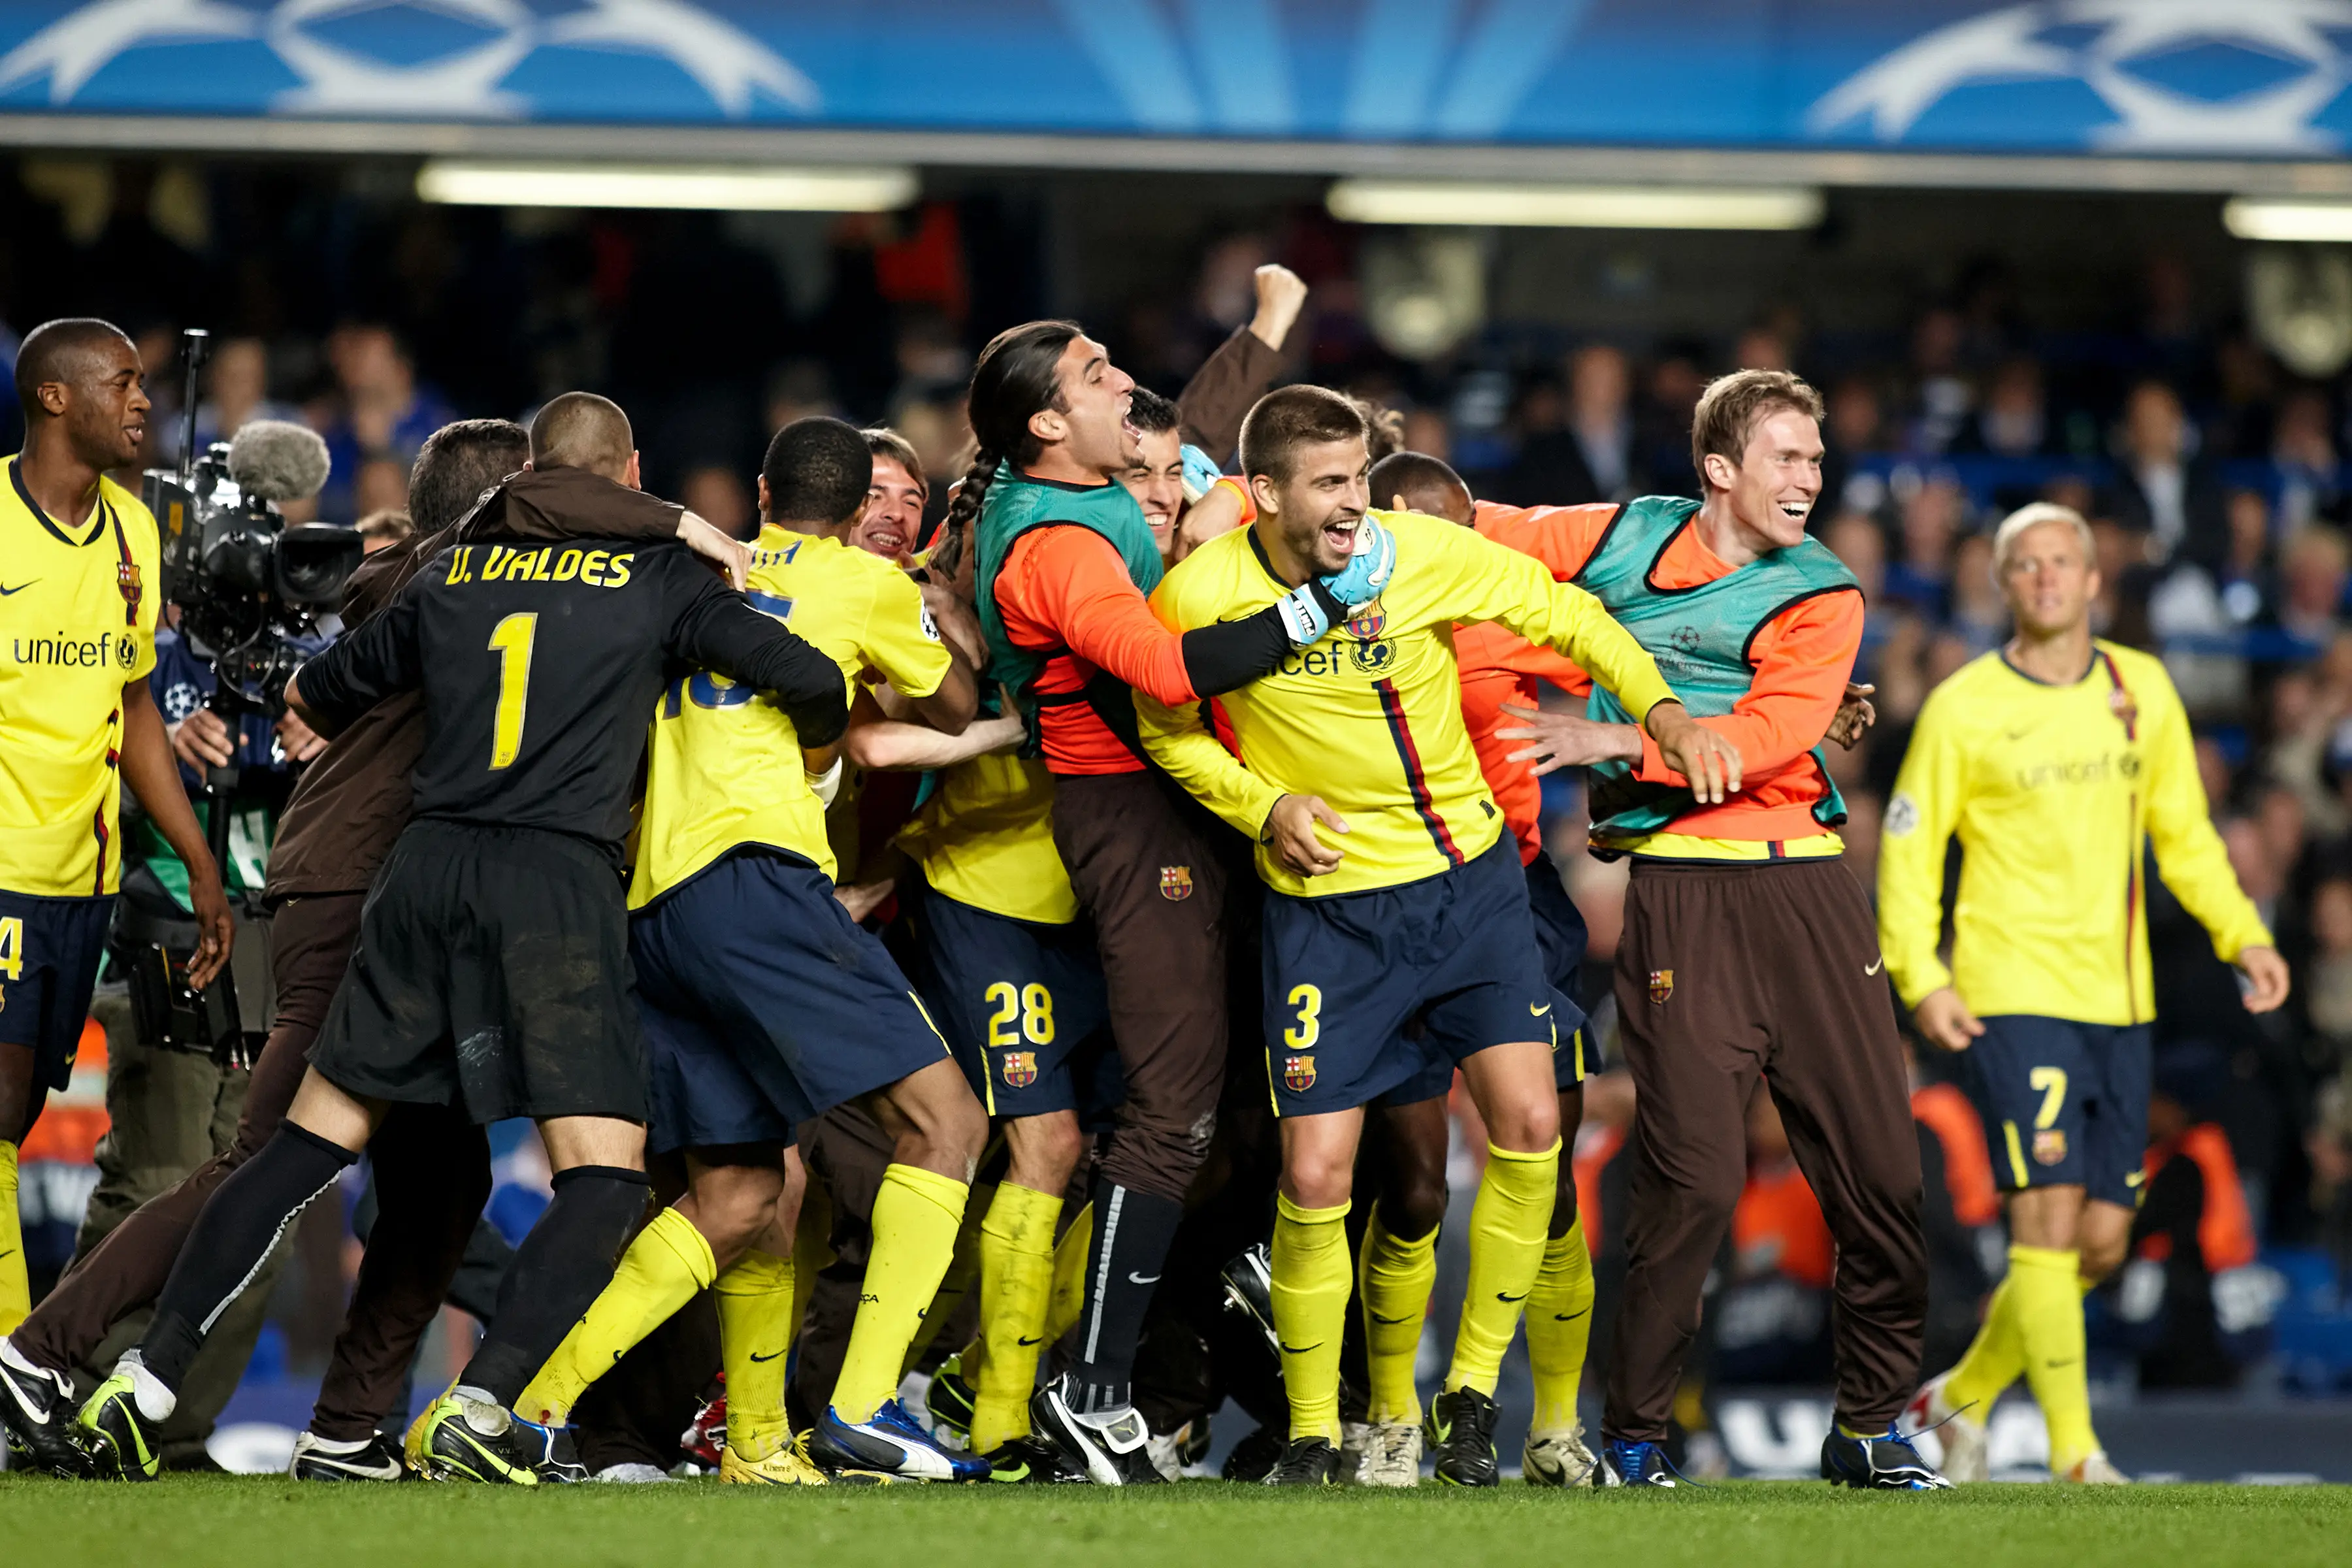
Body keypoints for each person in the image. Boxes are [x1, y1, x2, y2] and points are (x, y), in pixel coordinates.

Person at [69, 393, 848, 1484]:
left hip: (423, 871)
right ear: (625, 477)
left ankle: (141, 1384)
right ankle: (481, 1403)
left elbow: (321, 691)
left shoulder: (454, 571)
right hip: (555, 882)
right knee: (606, 1179)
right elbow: (813, 678)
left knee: (302, 1147)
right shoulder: (665, 575)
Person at [1135, 384, 1732, 1486]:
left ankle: (1469, 1400)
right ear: (1263, 493)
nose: (1352, 504)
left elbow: (1575, 617)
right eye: (1326, 484)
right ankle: (1319, 1432)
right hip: (1327, 918)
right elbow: (1164, 728)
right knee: (1316, 1179)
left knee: (1527, 1131)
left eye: (1358, 477)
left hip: (1469, 892)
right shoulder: (1202, 595)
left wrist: (1660, 713)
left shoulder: (1418, 556)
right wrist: (1263, 806)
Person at [508, 416, 992, 1485]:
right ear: (859, 504)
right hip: (756, 877)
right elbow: (953, 708)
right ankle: (865, 1408)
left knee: (742, 1192)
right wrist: (927, 617)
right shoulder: (862, 584)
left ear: (763, 493)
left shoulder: (692, 570)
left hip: (652, 903)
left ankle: (563, 1415)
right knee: (947, 1121)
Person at [1489, 369, 1944, 1490]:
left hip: (1808, 893)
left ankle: (1872, 1422)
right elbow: (1469, 529)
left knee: (1882, 1176)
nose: (1811, 480)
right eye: (1789, 458)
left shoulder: (1825, 590)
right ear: (1720, 469)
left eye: (1818, 460)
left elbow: (1780, 730)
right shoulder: (1620, 537)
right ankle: (1638, 1432)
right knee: (1686, 1183)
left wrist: (1616, 743)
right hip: (1684, 898)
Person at [958, 320, 1390, 1484]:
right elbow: (1168, 671)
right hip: (1128, 822)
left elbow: (1197, 446)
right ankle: (1089, 1392)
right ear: (1048, 423)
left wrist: (1270, 326)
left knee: (1232, 1092)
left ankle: (1187, 1328)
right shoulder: (1053, 543)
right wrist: (1324, 602)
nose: (1124, 386)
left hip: (1173, 812)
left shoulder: (1086, 501)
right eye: (1097, 376)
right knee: (1171, 1109)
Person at [1882, 502, 2287, 1484]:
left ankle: (1958, 1401)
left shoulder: (2142, 689)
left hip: (2120, 999)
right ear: (2003, 584)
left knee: (2100, 1243)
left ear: (2096, 581)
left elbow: (2185, 835)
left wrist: (2244, 932)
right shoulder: (1964, 704)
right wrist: (1919, 974)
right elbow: (1907, 843)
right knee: (2046, 1216)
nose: (2048, 579)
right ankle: (2076, 1455)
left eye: (2065, 563)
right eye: (2027, 565)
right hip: (2009, 990)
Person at [0, 319, 233, 1477]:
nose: (143, 402)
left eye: (145, 384)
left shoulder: (135, 531)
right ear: (55, 396)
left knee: (18, 1121)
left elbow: (137, 709)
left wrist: (191, 853)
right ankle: (12, 1378)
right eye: (122, 383)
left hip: (83, 881)